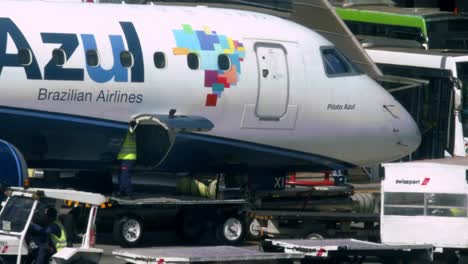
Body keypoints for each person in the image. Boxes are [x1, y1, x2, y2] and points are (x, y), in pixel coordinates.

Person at [117, 125, 137, 197]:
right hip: (124, 157)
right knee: (121, 175)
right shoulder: (131, 131)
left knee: (124, 176)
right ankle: (122, 191)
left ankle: (129, 193)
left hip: (127, 157)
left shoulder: (127, 130)